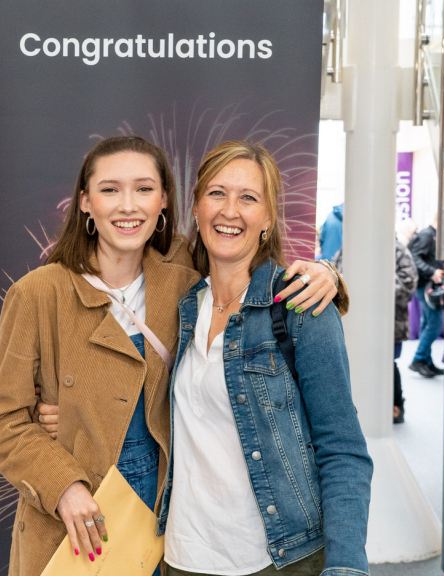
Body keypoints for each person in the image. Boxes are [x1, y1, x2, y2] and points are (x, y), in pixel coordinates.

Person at [0, 136, 340, 576]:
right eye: (110, 190)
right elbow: (3, 420)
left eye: (144, 189)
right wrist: (63, 487)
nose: (127, 206)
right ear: (85, 203)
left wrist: (327, 273)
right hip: (74, 524)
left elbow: (253, 266)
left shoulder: (185, 278)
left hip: (165, 527)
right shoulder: (38, 294)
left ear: (165, 201)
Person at [156, 141, 370, 576]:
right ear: (196, 208)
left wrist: (346, 566)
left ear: (268, 218)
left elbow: (343, 450)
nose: (230, 211)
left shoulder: (300, 306)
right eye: (217, 193)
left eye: (248, 198)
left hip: (279, 561)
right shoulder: (179, 307)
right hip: (183, 558)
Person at [407, 220, 444, 378]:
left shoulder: (431, 235)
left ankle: (426, 361)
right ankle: (419, 358)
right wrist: (432, 272)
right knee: (435, 323)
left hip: (426, 285)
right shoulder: (427, 235)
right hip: (425, 286)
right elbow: (415, 258)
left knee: (428, 323)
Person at [394, 238, 418, 424]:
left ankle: (396, 406)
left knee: (388, 364)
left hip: (391, 323)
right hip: (357, 324)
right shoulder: (352, 247)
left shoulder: (399, 250)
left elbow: (409, 284)